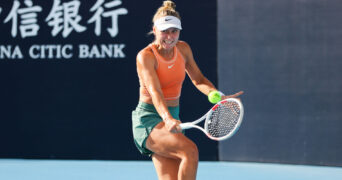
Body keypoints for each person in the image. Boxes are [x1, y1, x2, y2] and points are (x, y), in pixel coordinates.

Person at [132, 1, 243, 179]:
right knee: (190, 151)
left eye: (174, 31)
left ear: (179, 32)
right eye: (164, 31)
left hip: (173, 118)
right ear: (155, 30)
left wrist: (216, 95)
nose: (169, 36)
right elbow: (155, 92)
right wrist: (167, 118)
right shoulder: (146, 56)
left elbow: (199, 80)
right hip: (150, 120)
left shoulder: (183, 49)